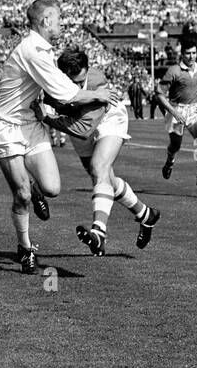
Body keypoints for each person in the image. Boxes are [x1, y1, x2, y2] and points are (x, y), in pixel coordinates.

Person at [0, 0, 121, 273]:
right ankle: (25, 248)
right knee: (21, 194)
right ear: (46, 21)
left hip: (31, 124)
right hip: (7, 127)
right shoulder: (33, 50)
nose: (61, 25)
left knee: (52, 188)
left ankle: (35, 189)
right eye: (58, 20)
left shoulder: (42, 50)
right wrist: (98, 93)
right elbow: (64, 93)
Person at [36, 45, 159, 256]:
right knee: (104, 179)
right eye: (71, 82)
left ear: (87, 69)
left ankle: (99, 232)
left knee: (99, 166)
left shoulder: (97, 83)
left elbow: (84, 129)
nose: (76, 86)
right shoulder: (52, 82)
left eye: (79, 81)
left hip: (107, 119)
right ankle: (146, 214)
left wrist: (46, 116)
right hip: (76, 120)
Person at [155, 43, 197, 189]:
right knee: (176, 145)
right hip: (176, 110)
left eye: (194, 53)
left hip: (193, 110)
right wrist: (173, 112)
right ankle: (170, 161)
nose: (191, 56)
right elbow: (159, 93)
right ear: (182, 54)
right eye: (188, 53)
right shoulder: (174, 70)